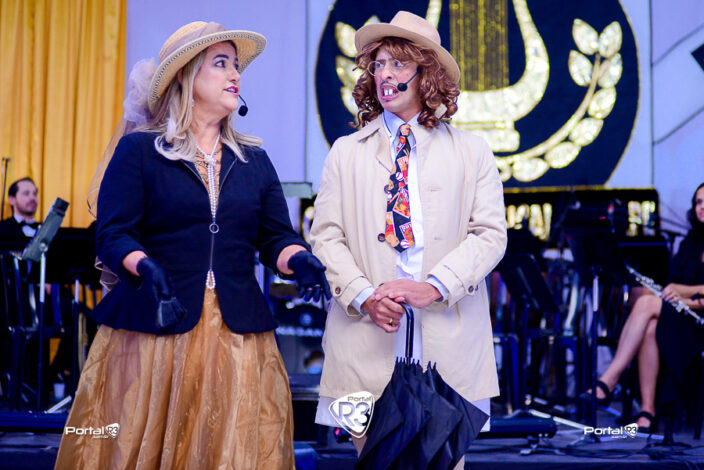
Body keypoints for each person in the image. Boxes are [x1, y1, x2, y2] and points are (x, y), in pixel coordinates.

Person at [55, 21, 330, 469]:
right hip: (154, 332)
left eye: (236, 65)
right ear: (185, 75)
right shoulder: (140, 151)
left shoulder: (254, 160)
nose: (235, 74)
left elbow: (275, 237)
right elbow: (114, 233)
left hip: (238, 335)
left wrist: (298, 259)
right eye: (221, 63)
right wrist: (145, 266)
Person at [310, 11, 507, 462]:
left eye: (398, 63)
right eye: (378, 64)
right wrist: (364, 297)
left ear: (427, 73)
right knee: (373, 460)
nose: (384, 74)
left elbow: (490, 235)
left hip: (449, 340)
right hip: (365, 338)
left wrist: (435, 286)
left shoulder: (472, 152)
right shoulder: (344, 153)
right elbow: (326, 238)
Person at [581, 182, 704, 432]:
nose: (702, 207)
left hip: (699, 323)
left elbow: (678, 288)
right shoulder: (690, 243)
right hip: (683, 319)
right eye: (698, 202)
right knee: (649, 327)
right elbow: (671, 283)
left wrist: (682, 295)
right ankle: (647, 411)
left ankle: (609, 379)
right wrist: (675, 293)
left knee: (647, 303)